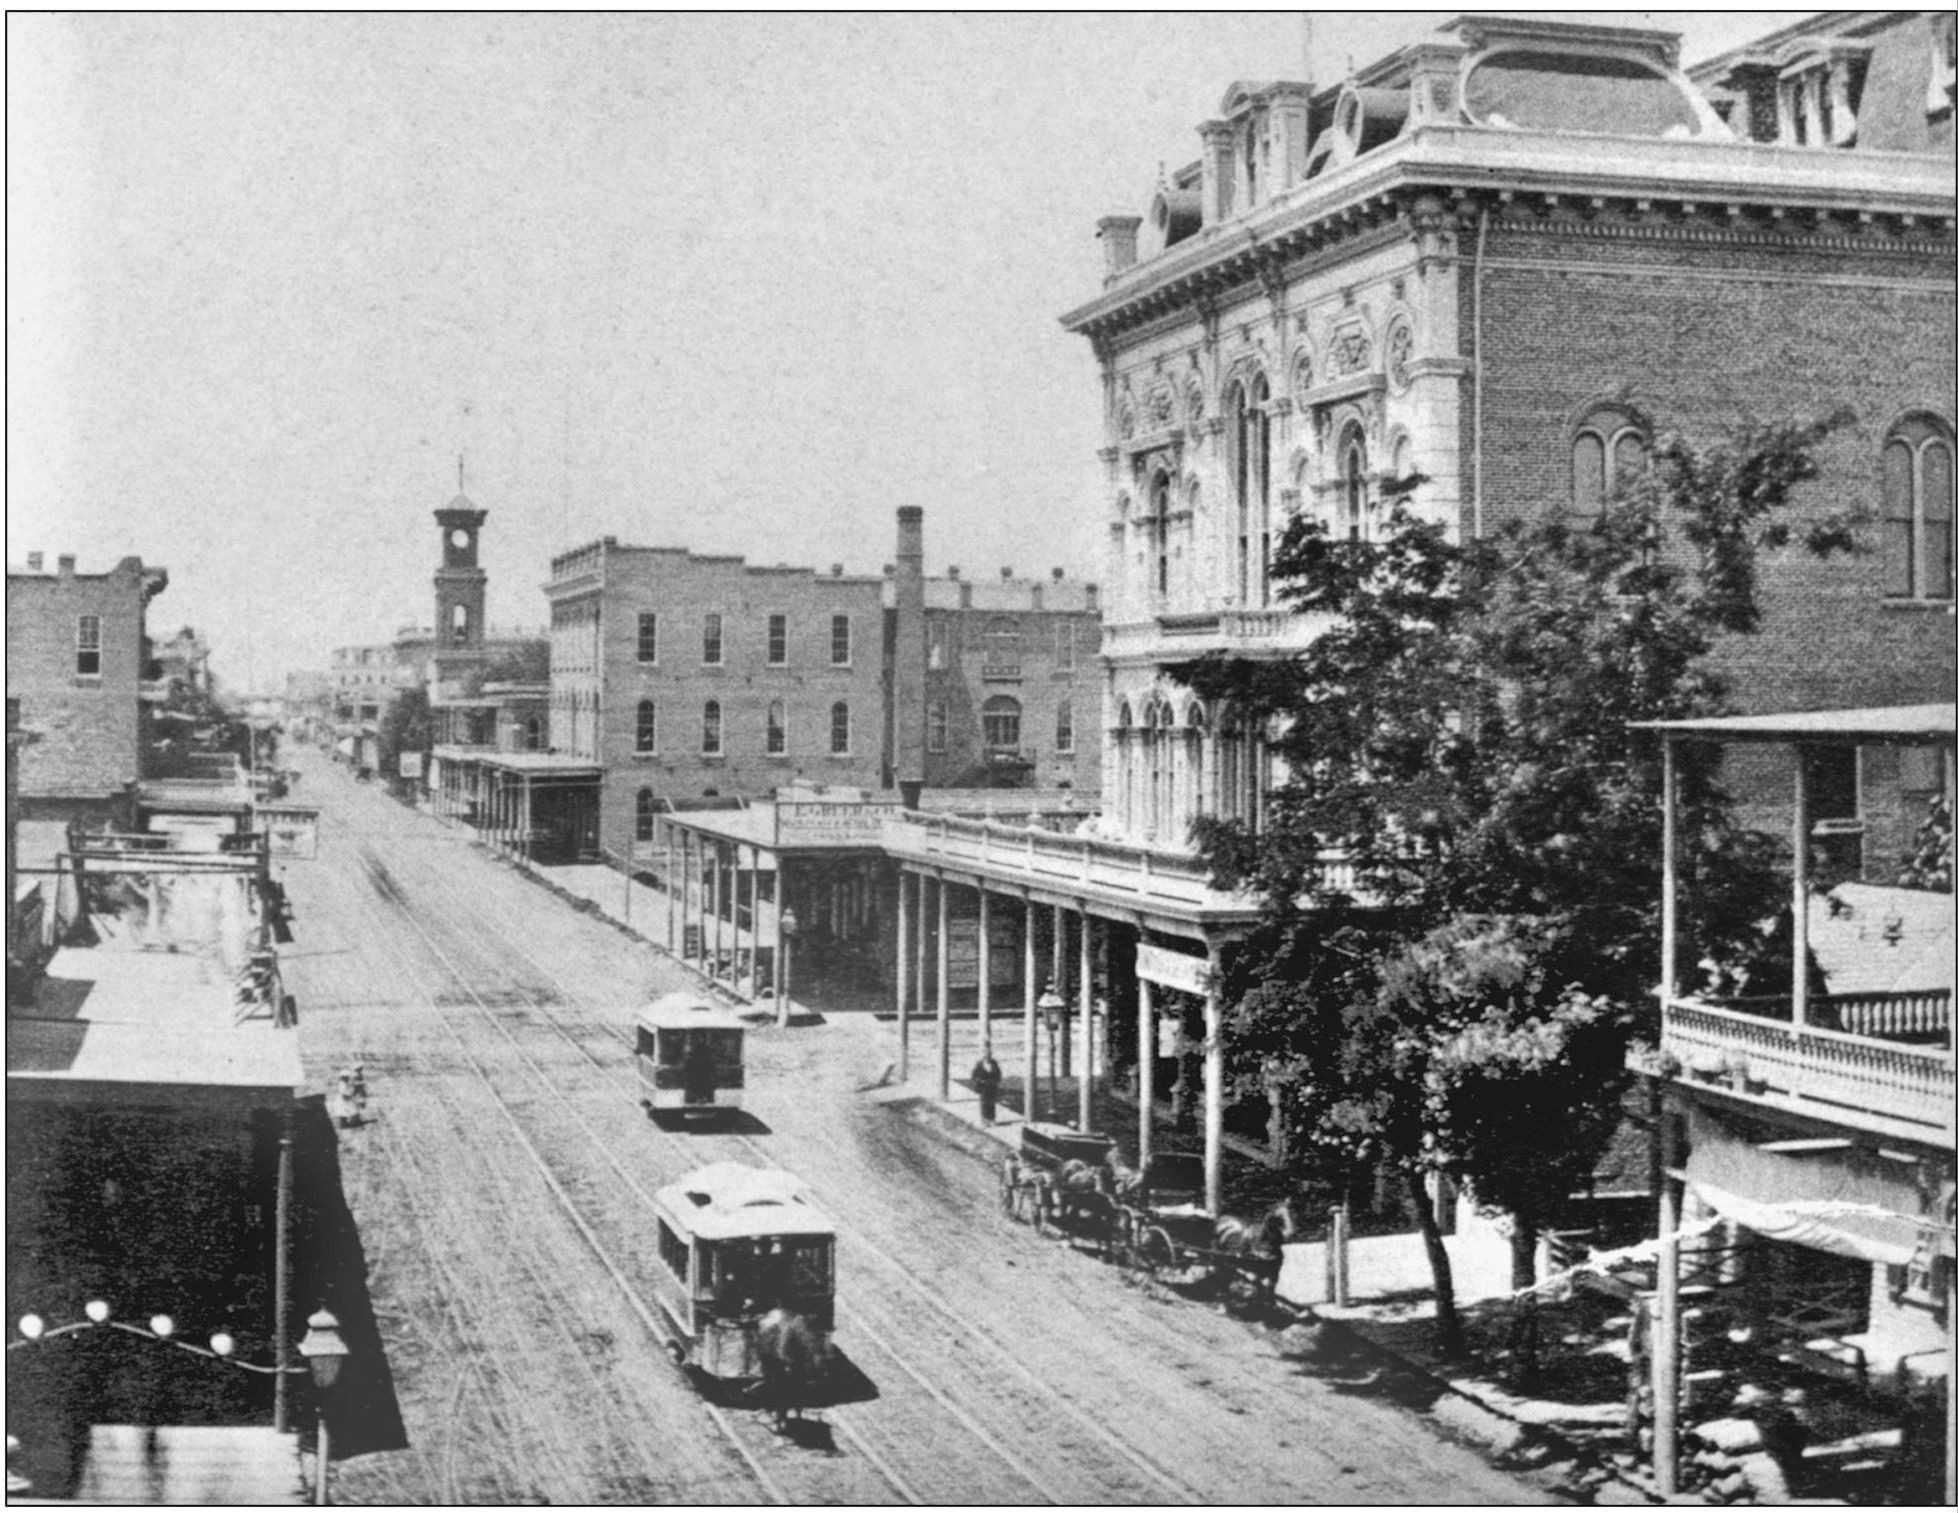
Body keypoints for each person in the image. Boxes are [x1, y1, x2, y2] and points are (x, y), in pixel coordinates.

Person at [969, 1041, 1003, 1125]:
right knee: (984, 1103)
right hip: (983, 1087)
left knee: (992, 1104)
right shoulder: (979, 1064)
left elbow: (998, 1074)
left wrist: (996, 1082)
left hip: (992, 1087)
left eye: (989, 1055)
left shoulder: (994, 1064)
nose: (988, 1056)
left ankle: (991, 1119)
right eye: (986, 1055)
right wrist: (979, 1082)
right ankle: (984, 1120)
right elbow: (974, 1076)